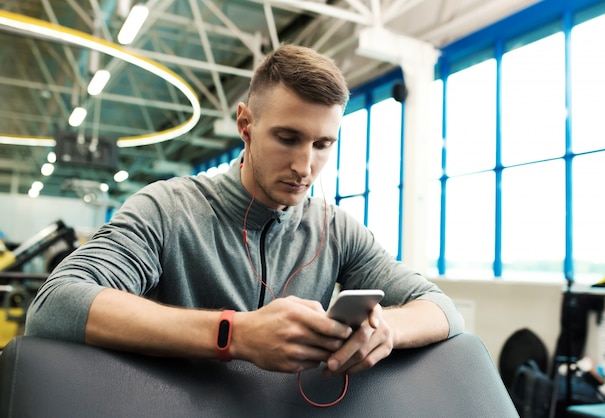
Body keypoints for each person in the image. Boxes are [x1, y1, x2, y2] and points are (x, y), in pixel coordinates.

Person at [25, 44, 464, 377]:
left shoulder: (337, 229)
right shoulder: (167, 208)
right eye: (287, 138)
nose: (304, 165)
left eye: (323, 145)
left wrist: (385, 329)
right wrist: (233, 334)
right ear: (245, 125)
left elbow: (442, 309)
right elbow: (56, 305)